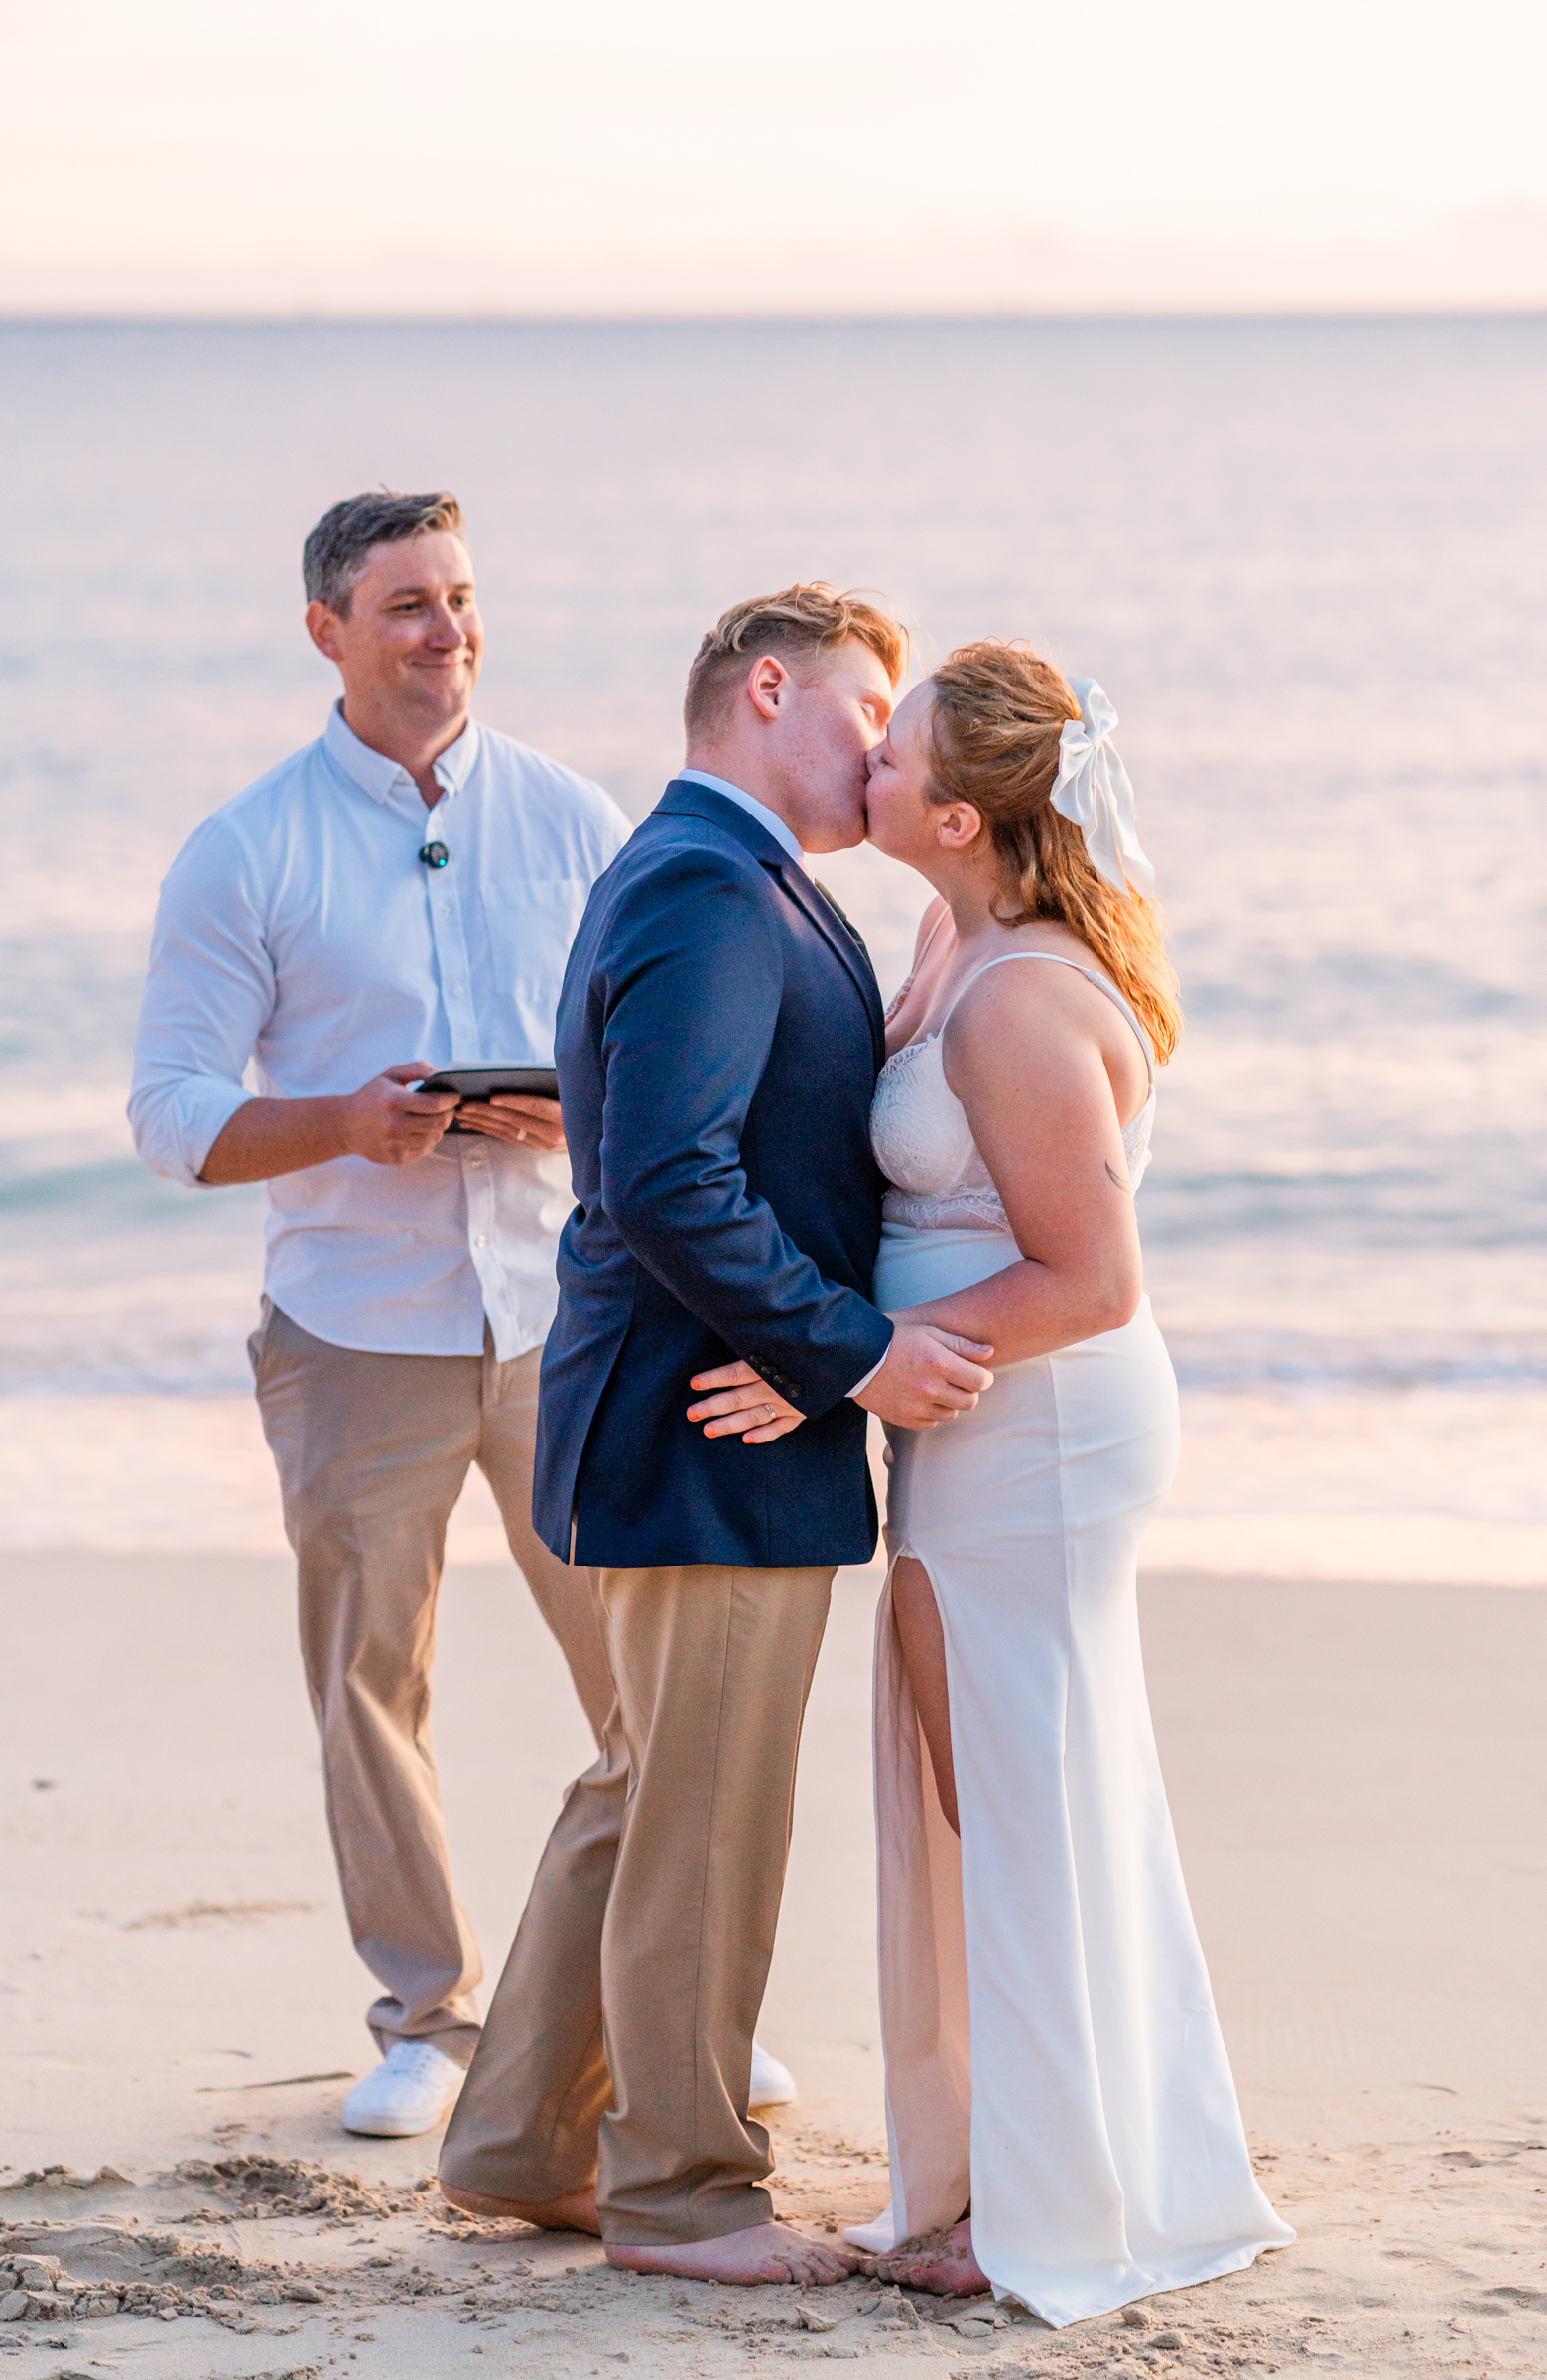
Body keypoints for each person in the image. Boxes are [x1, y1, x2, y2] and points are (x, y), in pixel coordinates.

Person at [694, 642, 1294, 2324]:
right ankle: (1007, 2169)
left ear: (955, 817)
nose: (863, 756)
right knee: (990, 1795)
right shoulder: (953, 935)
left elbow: (1092, 1279)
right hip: (973, 1419)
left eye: (894, 752)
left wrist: (833, 1349)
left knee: (1011, 1804)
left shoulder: (1024, 994)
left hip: (1037, 1432)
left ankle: (1042, 2203)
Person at [438, 584, 994, 2285]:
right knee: (704, 1812)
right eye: (867, 711)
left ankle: (526, 2140)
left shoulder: (741, 880)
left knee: (640, 1787)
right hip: (710, 1424)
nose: (886, 747)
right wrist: (851, 1358)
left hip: (698, 1406)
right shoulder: (703, 880)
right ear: (770, 692)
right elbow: (671, 1177)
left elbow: (732, 1150)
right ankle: (685, 2191)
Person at [128, 489, 640, 2142]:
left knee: (641, 1664)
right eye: (408, 603)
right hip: (354, 1324)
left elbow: (668, 1057)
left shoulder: (578, 820)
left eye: (464, 596)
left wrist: (585, 1111)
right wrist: (348, 1122)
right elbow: (173, 1113)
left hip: (563, 1316)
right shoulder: (247, 846)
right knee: (372, 1682)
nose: (449, 630)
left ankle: (657, 1990)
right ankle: (431, 2016)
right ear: (327, 632)